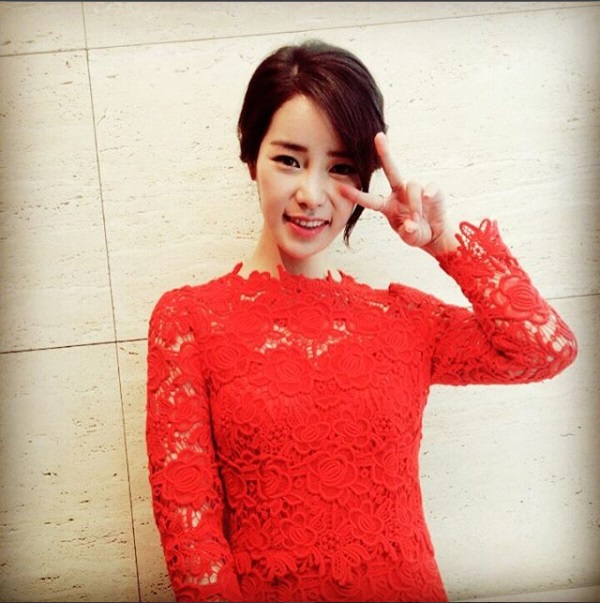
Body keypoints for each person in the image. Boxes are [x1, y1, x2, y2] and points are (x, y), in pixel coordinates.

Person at [145, 40, 578, 603]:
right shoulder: (189, 320)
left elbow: (544, 349)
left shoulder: (400, 318)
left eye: (341, 168)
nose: (311, 195)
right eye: (289, 160)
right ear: (251, 157)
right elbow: (193, 549)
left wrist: (443, 242)